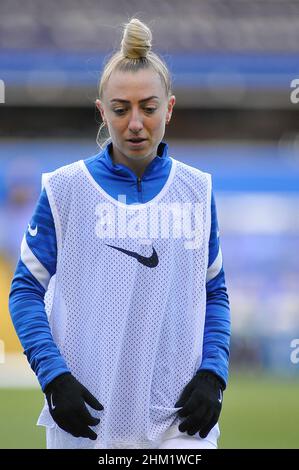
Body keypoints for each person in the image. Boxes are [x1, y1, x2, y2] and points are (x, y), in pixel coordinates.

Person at [9, 18, 230, 449]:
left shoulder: (197, 190)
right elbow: (25, 290)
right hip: (85, 418)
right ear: (101, 111)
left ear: (168, 108)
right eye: (120, 108)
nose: (134, 123)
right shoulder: (64, 189)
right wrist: (53, 377)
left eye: (148, 108)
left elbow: (215, 292)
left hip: (177, 421)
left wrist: (213, 374)